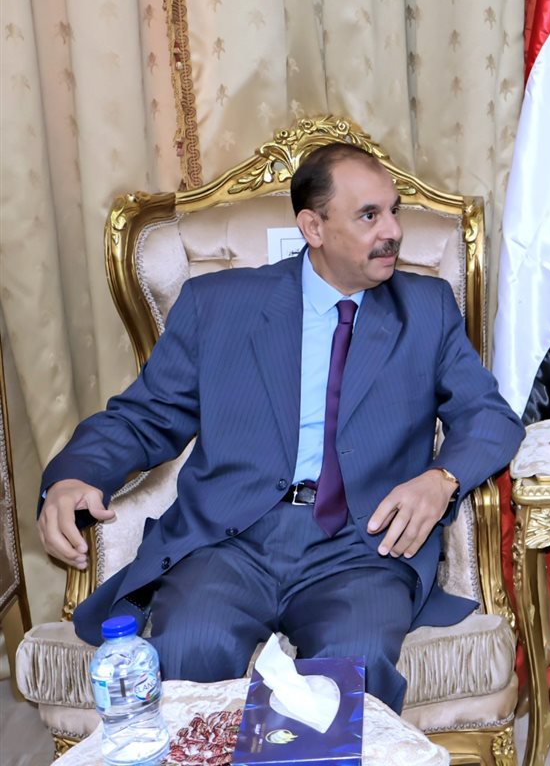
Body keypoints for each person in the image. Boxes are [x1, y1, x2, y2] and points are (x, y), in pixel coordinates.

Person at [37, 142, 525, 713]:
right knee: (190, 647)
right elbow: (146, 415)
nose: (393, 231)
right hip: (231, 539)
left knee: (355, 664)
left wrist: (441, 478)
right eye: (369, 216)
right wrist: (75, 475)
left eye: (394, 211)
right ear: (313, 227)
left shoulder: (426, 309)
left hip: (361, 546)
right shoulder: (218, 305)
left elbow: (490, 417)